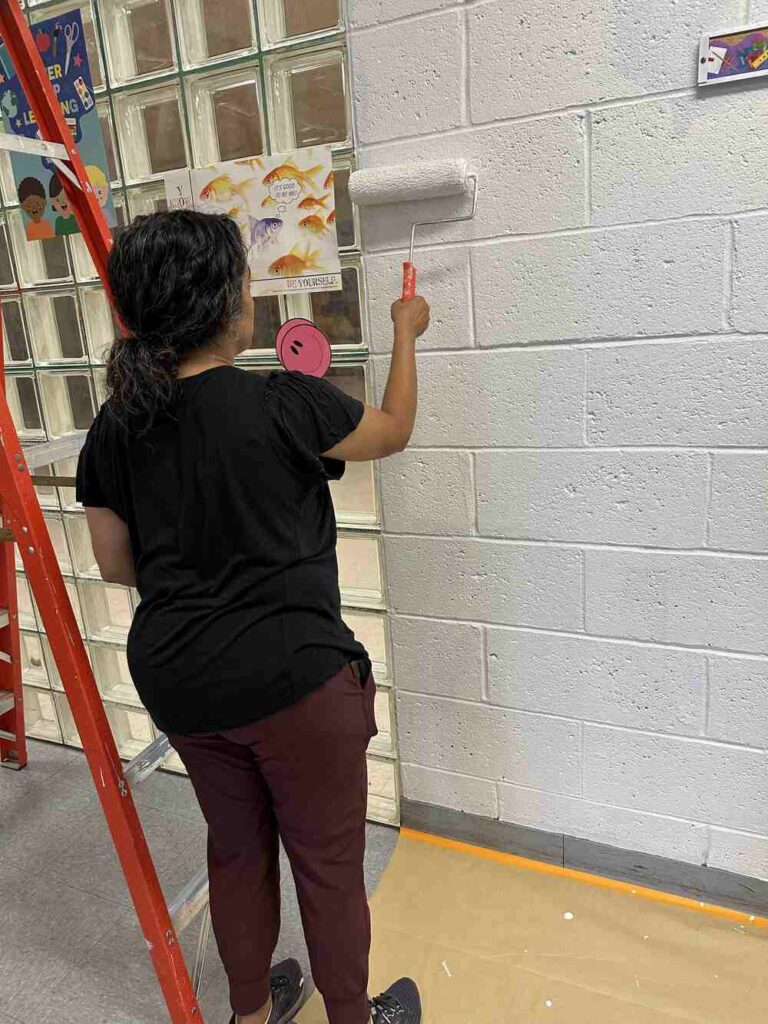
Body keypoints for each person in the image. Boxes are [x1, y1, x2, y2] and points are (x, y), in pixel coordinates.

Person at [75, 210, 430, 1024]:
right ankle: (351, 1017)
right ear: (220, 300)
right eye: (242, 278)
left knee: (236, 851)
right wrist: (406, 332)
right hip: (298, 683)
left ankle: (248, 1014)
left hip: (185, 685)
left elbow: (116, 565)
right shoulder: (284, 404)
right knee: (328, 863)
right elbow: (396, 430)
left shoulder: (113, 428)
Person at [18, 176, 55, 240]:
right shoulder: (29, 228)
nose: (34, 208)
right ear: (22, 206)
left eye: (38, 204)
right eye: (29, 206)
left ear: (45, 202)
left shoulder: (47, 225)